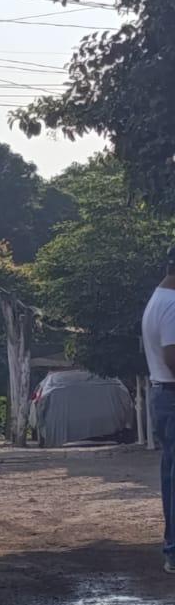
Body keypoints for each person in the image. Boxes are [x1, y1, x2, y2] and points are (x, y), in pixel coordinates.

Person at [141, 245, 175, 573]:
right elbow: (173, 356)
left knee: (171, 476)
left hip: (163, 394)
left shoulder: (157, 300)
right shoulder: (173, 305)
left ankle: (173, 549)